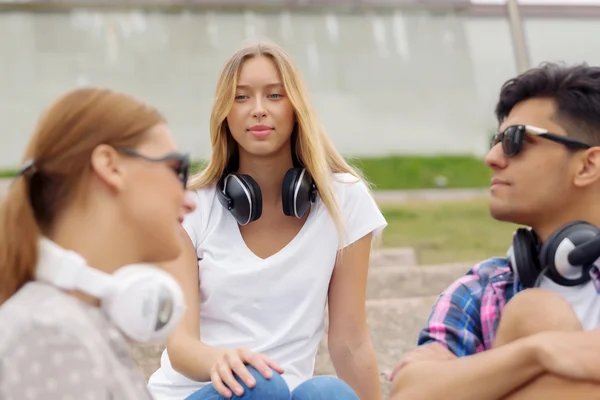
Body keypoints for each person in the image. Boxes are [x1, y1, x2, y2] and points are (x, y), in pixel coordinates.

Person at [146, 39, 387, 400]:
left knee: (329, 393)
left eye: (274, 95)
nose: (258, 110)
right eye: (241, 97)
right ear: (224, 113)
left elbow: (350, 343)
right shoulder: (192, 206)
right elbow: (180, 345)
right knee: (261, 386)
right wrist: (222, 360)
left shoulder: (344, 201)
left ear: (297, 107)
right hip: (202, 390)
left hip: (279, 392)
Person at [389, 62, 600, 400]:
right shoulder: (486, 287)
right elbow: (410, 393)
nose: (492, 157)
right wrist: (538, 351)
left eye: (516, 140)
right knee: (535, 313)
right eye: (495, 140)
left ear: (588, 165)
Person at [0, 87, 196, 399]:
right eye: (177, 170)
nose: (190, 201)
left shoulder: (66, 324)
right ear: (110, 165)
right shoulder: (51, 337)